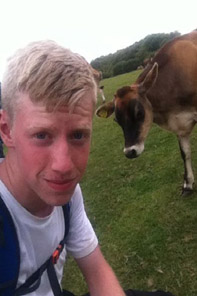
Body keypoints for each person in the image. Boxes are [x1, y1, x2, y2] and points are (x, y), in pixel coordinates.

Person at [0, 41, 174, 296]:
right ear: (6, 131)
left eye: (78, 135)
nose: (64, 166)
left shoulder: (68, 198)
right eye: (41, 135)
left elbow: (96, 270)